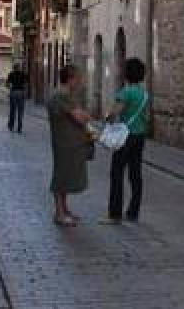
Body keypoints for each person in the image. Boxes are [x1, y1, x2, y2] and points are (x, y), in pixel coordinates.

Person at [100, 58, 149, 225]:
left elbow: (114, 114)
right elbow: (145, 117)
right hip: (139, 136)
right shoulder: (144, 94)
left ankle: (115, 214)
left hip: (125, 137)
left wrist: (107, 117)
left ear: (127, 74)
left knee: (117, 173)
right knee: (136, 175)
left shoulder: (125, 92)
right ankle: (133, 212)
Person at [47, 64, 93, 226]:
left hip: (70, 142)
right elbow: (81, 117)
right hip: (64, 143)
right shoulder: (61, 96)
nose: (80, 82)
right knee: (61, 176)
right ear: (71, 79)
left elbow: (81, 114)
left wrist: (83, 114)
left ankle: (64, 209)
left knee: (66, 176)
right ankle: (59, 213)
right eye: (78, 78)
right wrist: (84, 115)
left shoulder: (67, 96)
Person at [6, 64, 28, 133]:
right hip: (21, 93)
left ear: (13, 68)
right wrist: (24, 91)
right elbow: (26, 84)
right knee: (20, 111)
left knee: (12, 110)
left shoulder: (11, 74)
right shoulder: (23, 74)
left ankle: (11, 126)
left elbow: (7, 84)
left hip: (14, 92)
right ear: (19, 68)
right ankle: (19, 128)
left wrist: (10, 89)